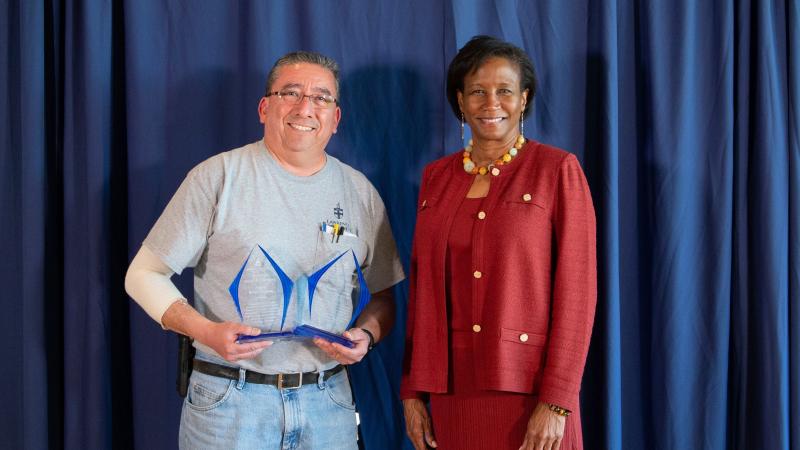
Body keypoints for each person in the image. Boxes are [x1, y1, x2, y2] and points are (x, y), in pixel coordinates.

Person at [125, 51, 405, 449]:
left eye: (322, 98)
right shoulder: (218, 177)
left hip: (328, 403)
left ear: (336, 118)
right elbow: (142, 276)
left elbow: (383, 297)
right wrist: (206, 331)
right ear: (264, 107)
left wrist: (367, 335)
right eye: (290, 93)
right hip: (229, 403)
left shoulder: (360, 192)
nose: (306, 107)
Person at [400, 36, 597, 450]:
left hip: (533, 394)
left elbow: (577, 295)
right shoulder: (437, 177)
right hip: (452, 392)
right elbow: (423, 290)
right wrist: (413, 390)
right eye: (477, 91)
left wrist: (558, 402)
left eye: (504, 91)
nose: (492, 103)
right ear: (460, 100)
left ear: (524, 99)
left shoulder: (557, 170)